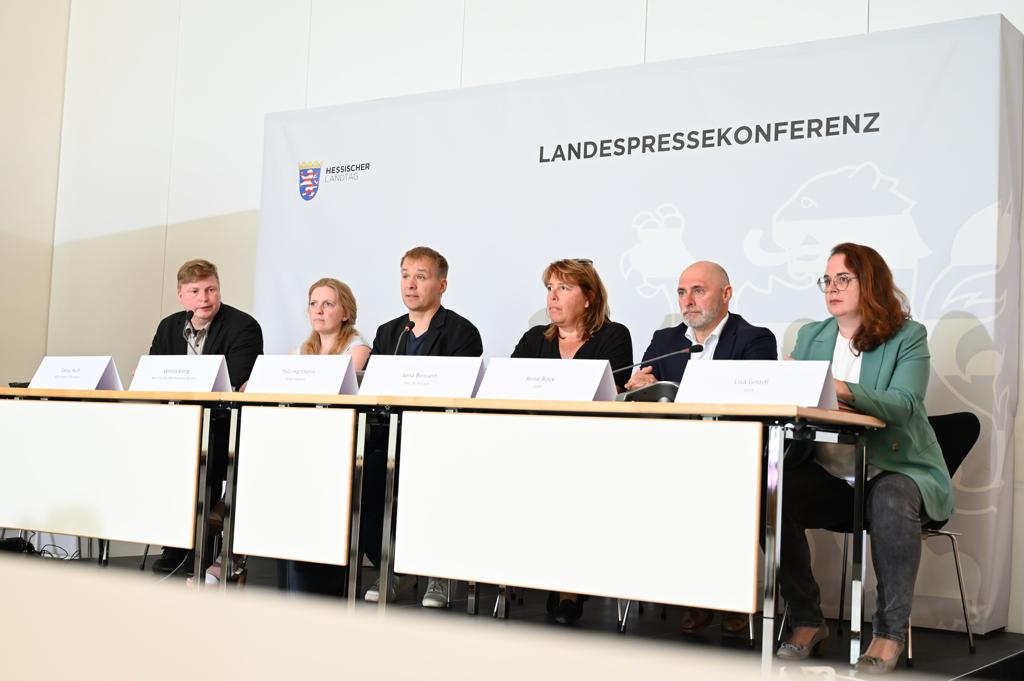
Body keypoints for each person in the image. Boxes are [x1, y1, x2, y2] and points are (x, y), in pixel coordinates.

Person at [777, 243, 952, 673]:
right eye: (827, 280)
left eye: (843, 279)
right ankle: (806, 620)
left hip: (894, 468)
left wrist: (842, 388)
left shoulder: (908, 336)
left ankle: (889, 634)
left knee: (891, 499)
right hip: (833, 474)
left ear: (869, 282)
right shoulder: (812, 336)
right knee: (774, 493)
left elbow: (904, 403)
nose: (832, 288)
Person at [623, 260, 777, 635]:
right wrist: (638, 386)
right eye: (681, 292)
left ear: (726, 294)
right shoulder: (665, 341)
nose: (687, 300)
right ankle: (699, 595)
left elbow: (754, 399)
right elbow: (646, 392)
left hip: (735, 453)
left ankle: (728, 597)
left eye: (698, 291)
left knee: (719, 489)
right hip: (674, 453)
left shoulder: (755, 339)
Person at [511, 258, 633, 623]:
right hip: (535, 443)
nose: (552, 297)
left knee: (569, 479)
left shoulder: (613, 336)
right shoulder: (535, 339)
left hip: (592, 446)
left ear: (589, 297)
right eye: (550, 288)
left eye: (563, 288)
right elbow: (508, 385)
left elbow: (609, 392)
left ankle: (567, 585)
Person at [362, 247, 483, 607]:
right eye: (405, 275)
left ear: (442, 285)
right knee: (365, 472)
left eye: (421, 276)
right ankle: (394, 567)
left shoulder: (461, 332)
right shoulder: (389, 332)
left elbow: (460, 395)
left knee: (436, 473)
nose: (410, 284)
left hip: (440, 438)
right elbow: (374, 391)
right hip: (391, 435)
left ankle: (437, 571)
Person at [148, 259, 263, 575]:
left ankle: (197, 546)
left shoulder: (243, 326)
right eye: (195, 291)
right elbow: (155, 372)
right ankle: (175, 541)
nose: (204, 298)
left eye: (211, 289)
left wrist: (175, 381)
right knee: (157, 446)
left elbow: (234, 380)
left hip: (224, 423)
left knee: (199, 446)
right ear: (181, 295)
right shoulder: (169, 327)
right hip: (177, 421)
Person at [277, 277, 370, 595]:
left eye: (328, 304)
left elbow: (331, 392)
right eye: (314, 303)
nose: (318, 310)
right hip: (302, 441)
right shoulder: (301, 350)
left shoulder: (357, 349)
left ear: (346, 312)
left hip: (339, 444)